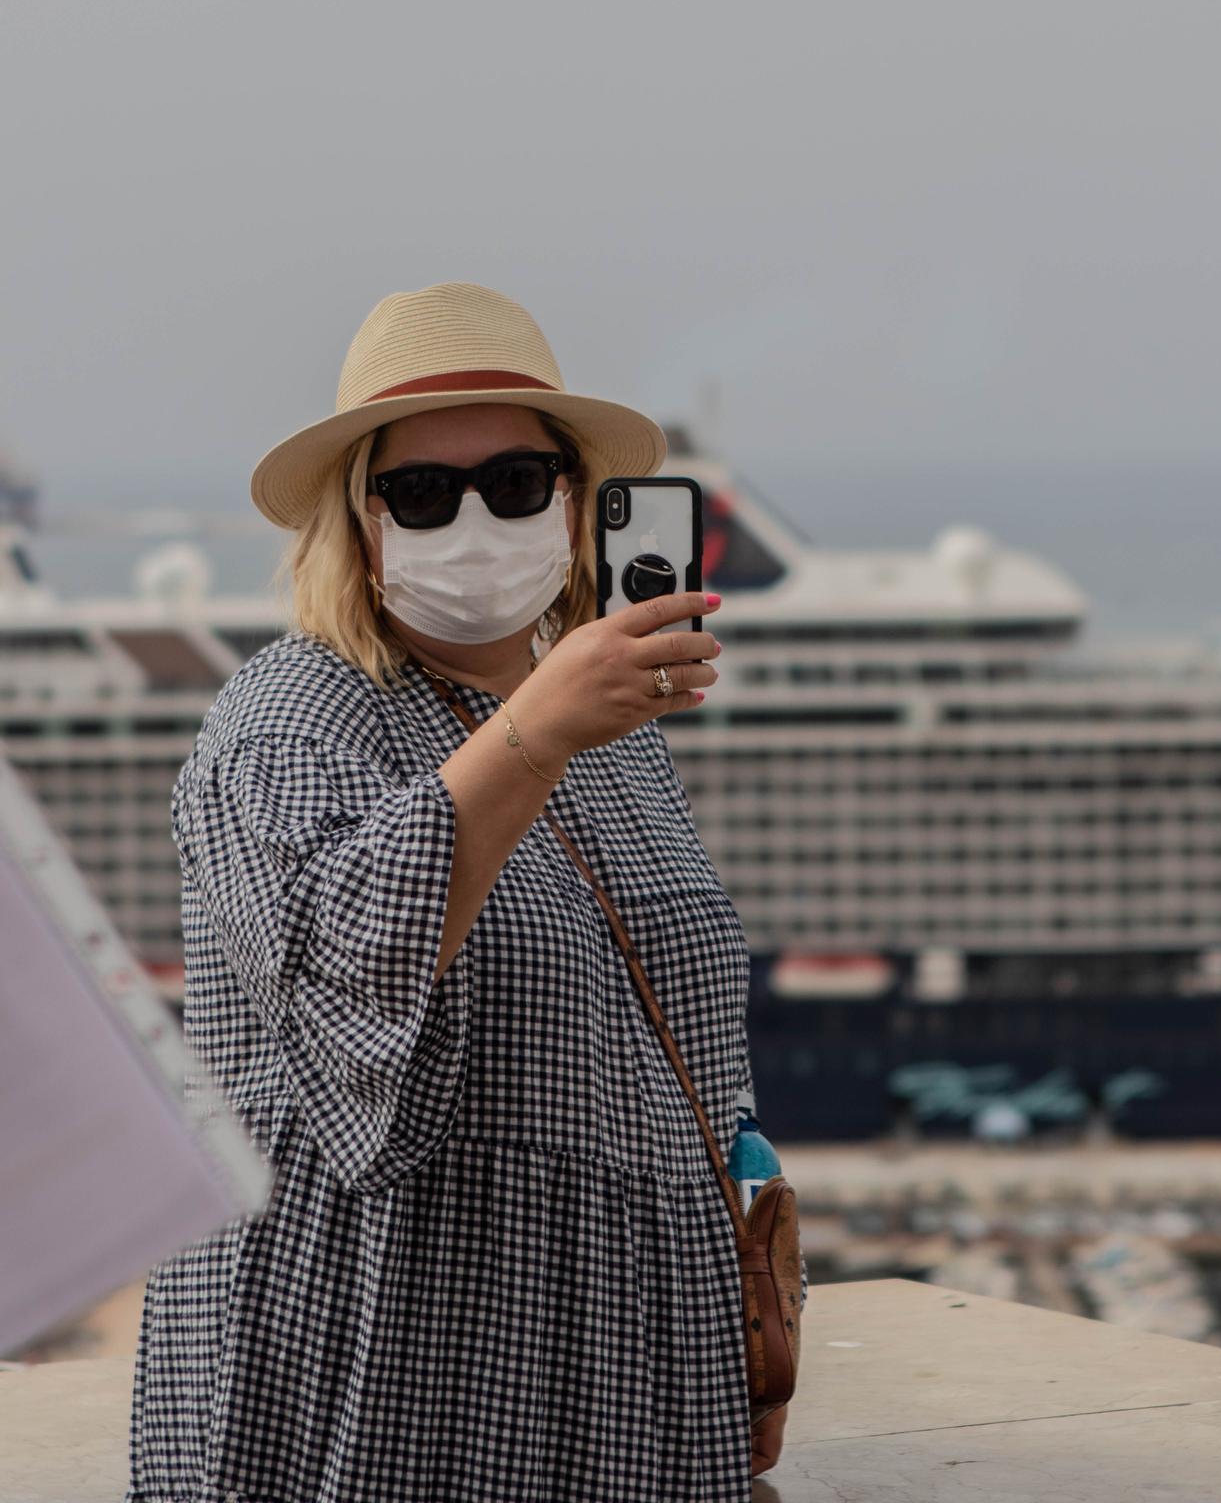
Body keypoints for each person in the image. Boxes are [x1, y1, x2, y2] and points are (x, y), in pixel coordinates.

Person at [124, 280, 791, 1503]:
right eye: (424, 491)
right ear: (358, 521)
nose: (476, 520)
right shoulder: (283, 718)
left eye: (518, 483)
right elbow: (338, 963)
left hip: (620, 1356)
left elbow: (681, 1004)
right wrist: (534, 733)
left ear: (578, 501)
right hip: (391, 1350)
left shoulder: (618, 728)